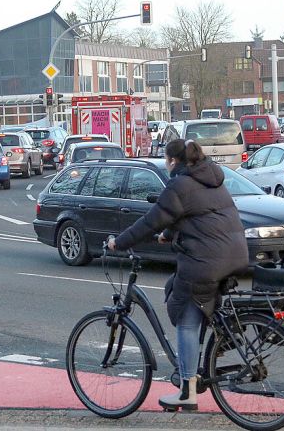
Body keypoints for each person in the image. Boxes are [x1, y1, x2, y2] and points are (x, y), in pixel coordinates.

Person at [106, 139, 247, 411]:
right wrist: (168, 235)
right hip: (234, 255)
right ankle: (204, 360)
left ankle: (186, 390)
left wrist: (119, 243)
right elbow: (194, 214)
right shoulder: (212, 178)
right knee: (181, 290)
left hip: (206, 261)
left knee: (185, 320)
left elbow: (151, 220)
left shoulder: (179, 185)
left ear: (172, 161)